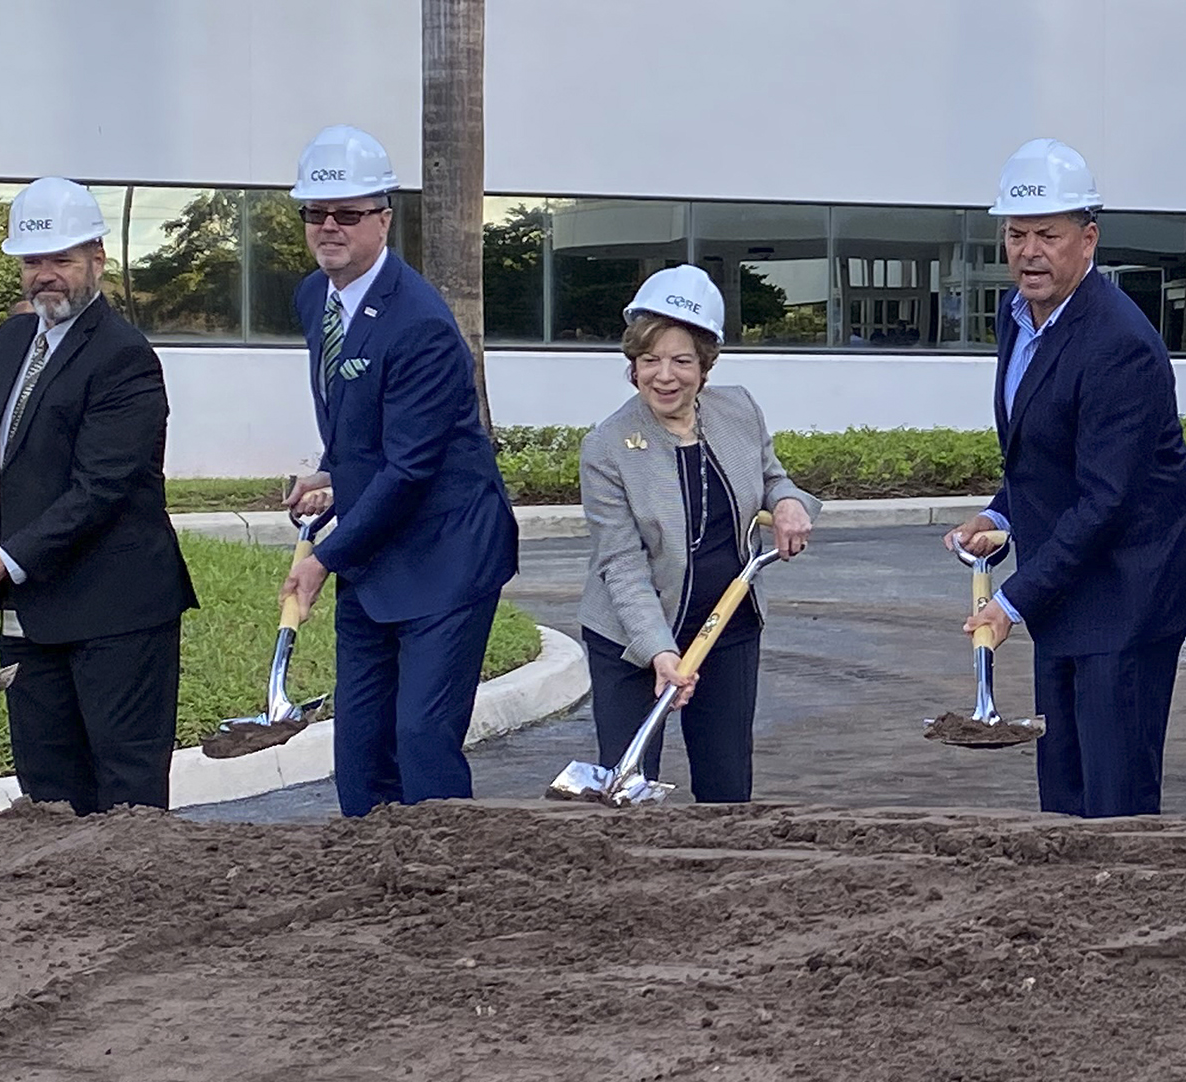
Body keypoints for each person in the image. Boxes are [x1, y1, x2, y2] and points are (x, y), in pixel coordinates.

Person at [944, 139, 1186, 818]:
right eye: (1016, 233)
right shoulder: (1019, 318)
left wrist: (1009, 604)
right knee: (1062, 791)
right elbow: (1045, 456)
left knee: (1112, 802)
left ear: (1087, 239)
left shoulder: (1117, 341)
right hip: (1069, 589)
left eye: (1049, 235)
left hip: (1129, 592)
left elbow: (1105, 501)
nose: (1030, 251)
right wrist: (1000, 517)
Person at [276, 125, 521, 817]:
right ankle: (369, 889)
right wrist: (330, 474)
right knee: (358, 750)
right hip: (375, 549)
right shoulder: (313, 299)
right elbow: (364, 431)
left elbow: (412, 468)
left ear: (383, 219)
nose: (329, 227)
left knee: (420, 737)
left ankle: (447, 887)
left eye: (348, 214)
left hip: (447, 554)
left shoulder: (421, 324)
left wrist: (325, 558)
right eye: (316, 213)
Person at [0, 177, 196, 814]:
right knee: (47, 792)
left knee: (125, 794)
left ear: (97, 261)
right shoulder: (10, 342)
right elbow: (8, 435)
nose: (46, 276)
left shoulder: (124, 357)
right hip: (34, 613)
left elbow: (101, 488)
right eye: (34, 261)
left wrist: (6, 560)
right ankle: (64, 916)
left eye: (62, 260)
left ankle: (140, 915)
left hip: (117, 611)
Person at [576, 268, 820, 804]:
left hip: (726, 626)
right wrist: (661, 653)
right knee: (629, 791)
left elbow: (772, 476)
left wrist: (786, 504)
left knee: (727, 789)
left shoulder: (739, 411)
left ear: (705, 366)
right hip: (632, 640)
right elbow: (621, 565)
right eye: (649, 360)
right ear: (633, 365)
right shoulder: (608, 447)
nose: (665, 376)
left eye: (681, 360)